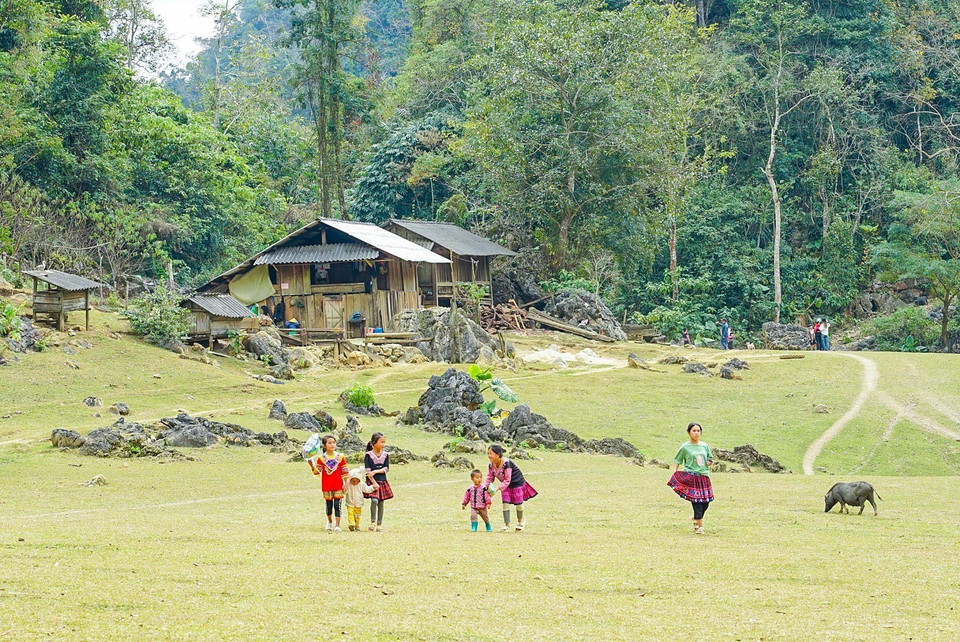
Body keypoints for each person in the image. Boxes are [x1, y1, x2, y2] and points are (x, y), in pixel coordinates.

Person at [667, 423, 714, 535]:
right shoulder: (685, 447)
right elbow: (677, 460)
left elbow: (710, 458)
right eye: (694, 430)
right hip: (691, 477)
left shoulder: (704, 446)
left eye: (698, 430)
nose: (696, 433)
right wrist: (675, 473)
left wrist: (709, 462)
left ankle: (696, 518)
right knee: (697, 501)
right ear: (689, 432)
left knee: (706, 502)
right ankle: (700, 526)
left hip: (704, 477)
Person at [486, 444, 538, 532]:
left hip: (516, 482)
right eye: (488, 453)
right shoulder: (491, 465)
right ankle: (507, 525)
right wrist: (484, 487)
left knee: (519, 504)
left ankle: (520, 522)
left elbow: (507, 479)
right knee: (505, 503)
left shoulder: (506, 463)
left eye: (490, 453)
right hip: (505, 484)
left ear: (498, 454)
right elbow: (490, 477)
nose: (489, 456)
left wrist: (497, 489)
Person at [314, 435, 348, 532]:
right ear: (324, 446)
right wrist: (312, 466)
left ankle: (337, 525)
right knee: (329, 506)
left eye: (333, 442)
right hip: (327, 485)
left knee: (337, 505)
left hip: (338, 485)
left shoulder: (340, 457)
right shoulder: (321, 458)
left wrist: (346, 483)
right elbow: (317, 471)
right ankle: (329, 521)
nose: (332, 445)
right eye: (329, 443)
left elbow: (345, 471)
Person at [364, 432, 393, 531]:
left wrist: (376, 471)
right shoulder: (368, 455)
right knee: (374, 500)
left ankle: (379, 524)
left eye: (384, 442)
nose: (383, 444)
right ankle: (373, 522)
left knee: (381, 502)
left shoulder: (385, 455)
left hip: (382, 481)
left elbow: (386, 468)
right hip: (373, 482)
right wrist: (373, 482)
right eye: (381, 442)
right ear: (374, 443)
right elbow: (368, 472)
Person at [344, 467, 375, 532]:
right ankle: (351, 524)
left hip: (359, 504)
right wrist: (344, 489)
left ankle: (357, 526)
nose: (354, 483)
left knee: (357, 516)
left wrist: (373, 487)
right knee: (350, 514)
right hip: (350, 503)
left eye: (356, 481)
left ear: (359, 480)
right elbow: (345, 492)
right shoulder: (348, 484)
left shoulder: (361, 484)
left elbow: (367, 489)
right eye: (352, 481)